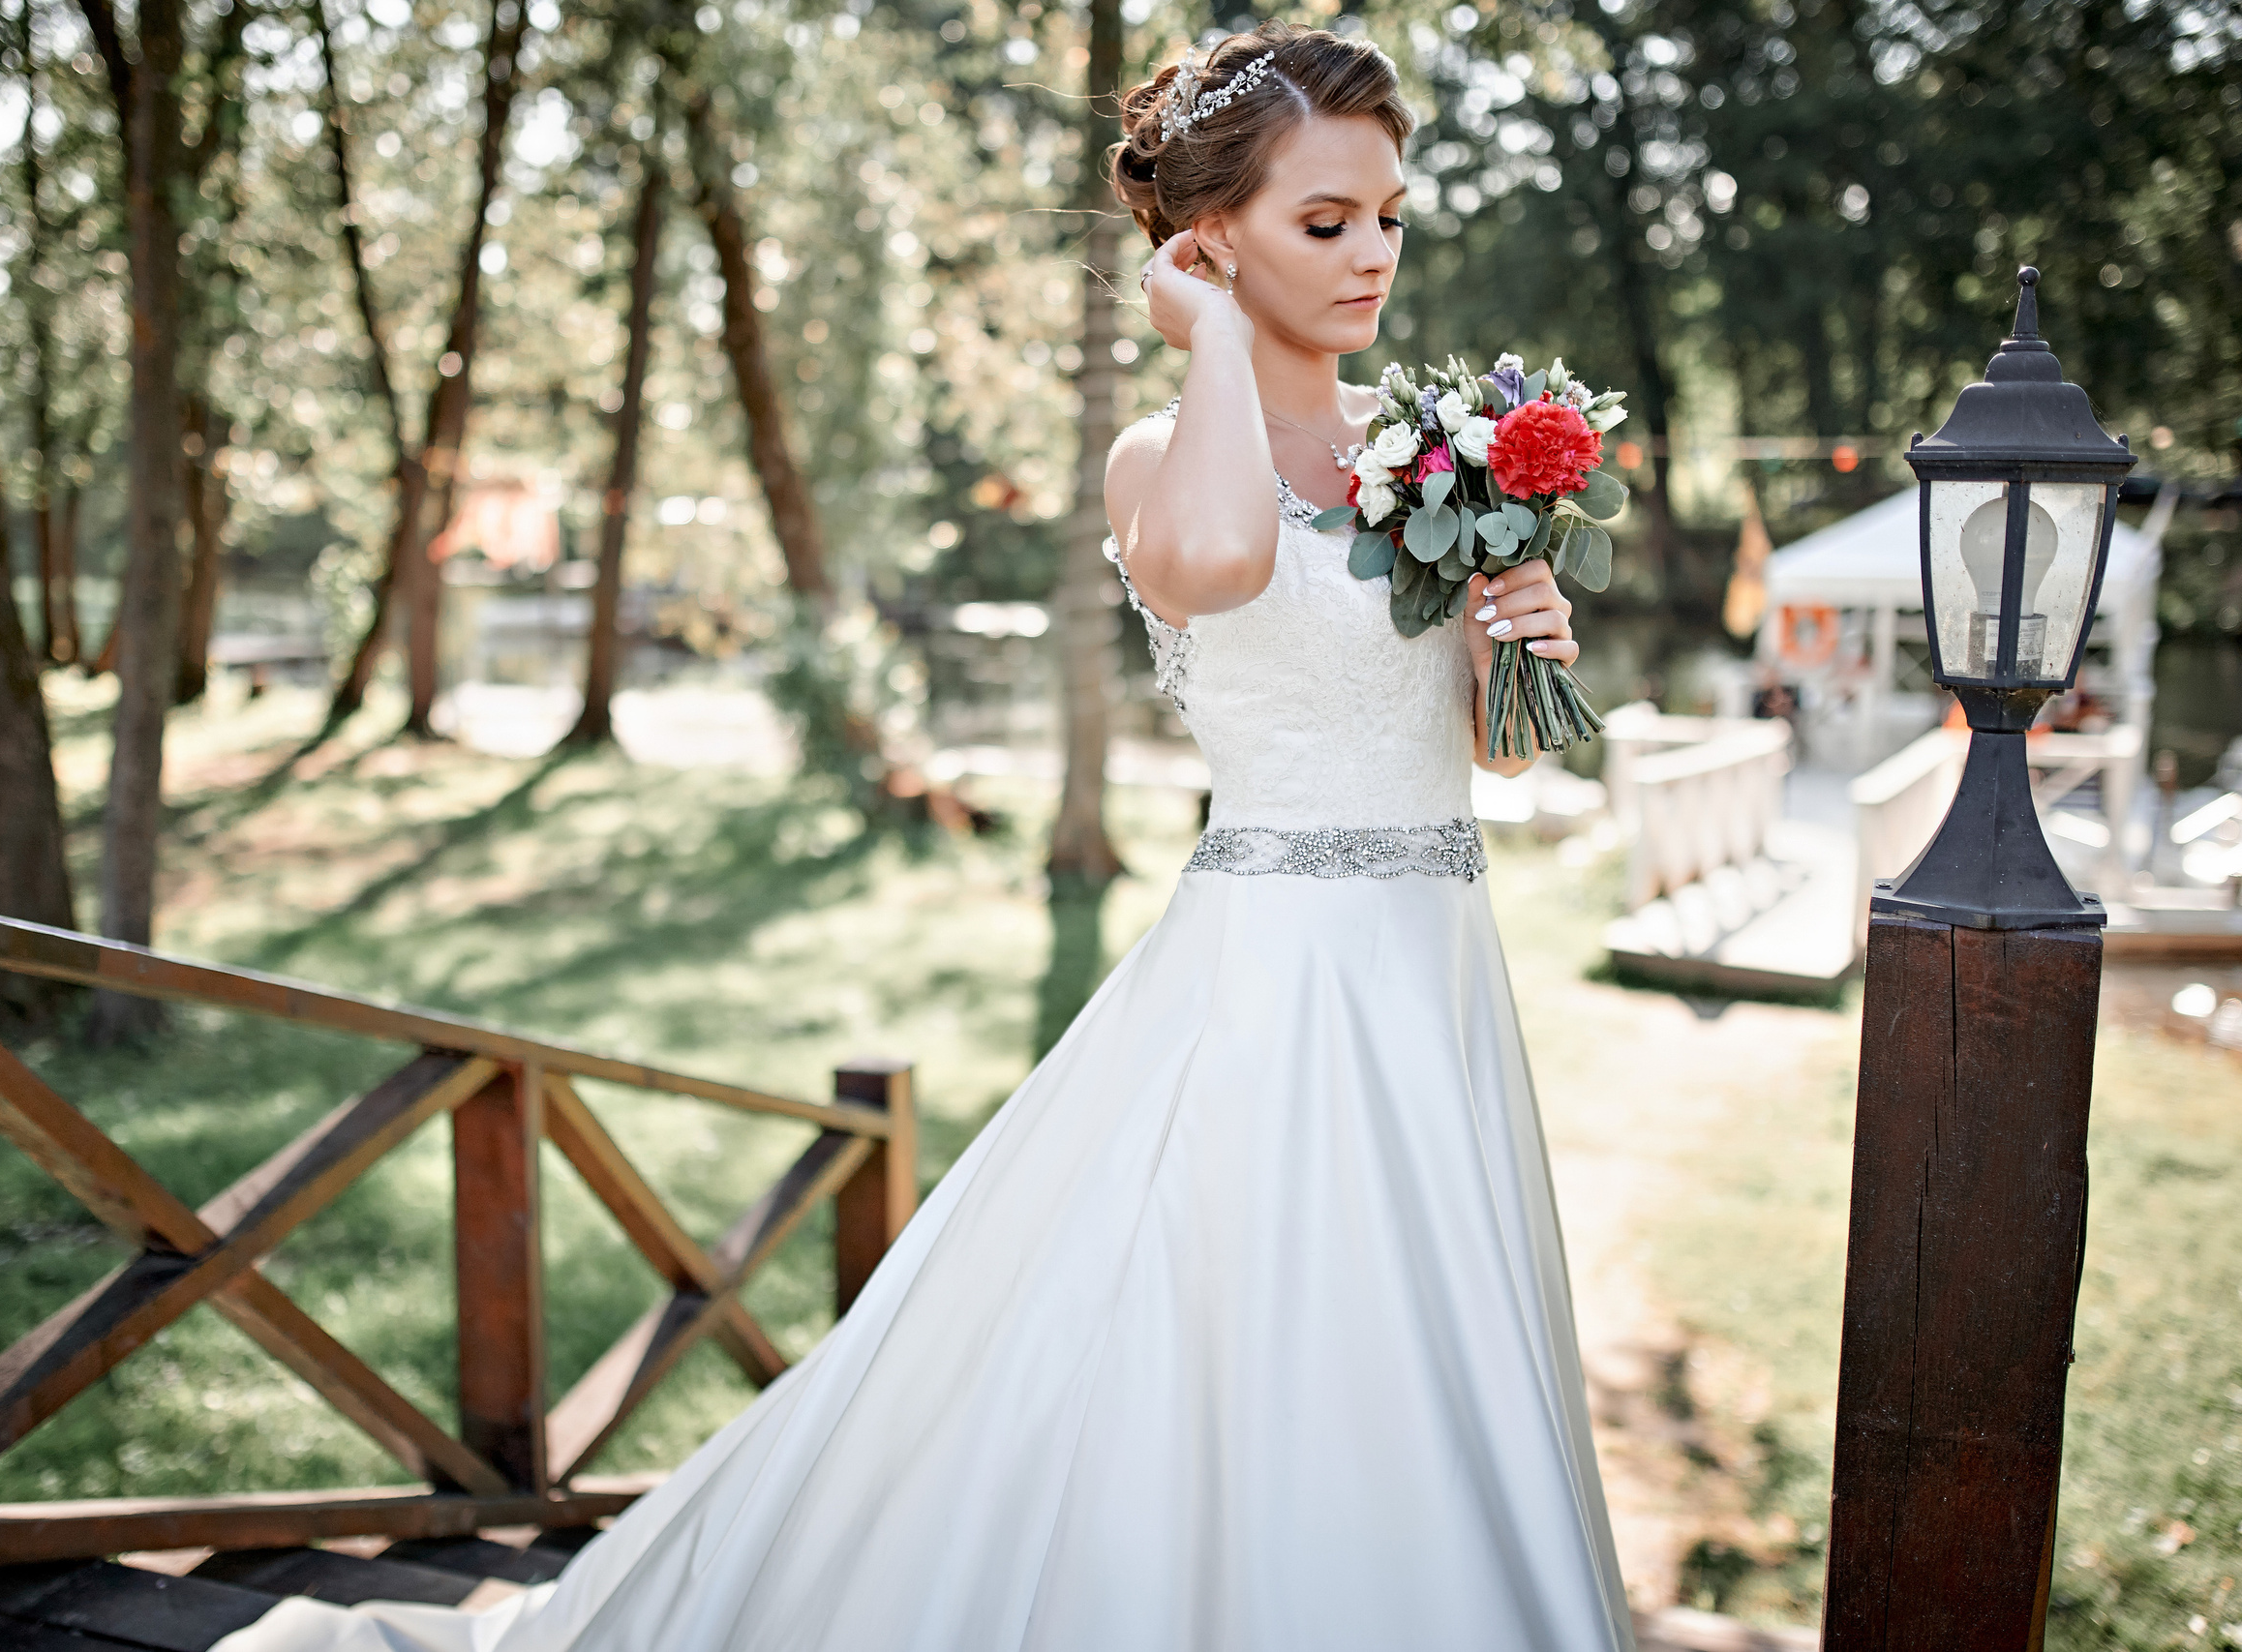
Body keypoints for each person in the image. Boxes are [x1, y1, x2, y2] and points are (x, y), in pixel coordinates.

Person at [217, 24, 1632, 1651]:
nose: (1375, 254)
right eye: (1326, 222)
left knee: (1424, 1361)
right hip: (1272, 990)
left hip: (1438, 974)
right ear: (1211, 238)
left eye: (1392, 214)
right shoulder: (1160, 453)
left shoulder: (1439, 448)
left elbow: (1483, 763)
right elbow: (1230, 560)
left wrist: (1520, 636)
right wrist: (1211, 342)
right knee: (1247, 1345)